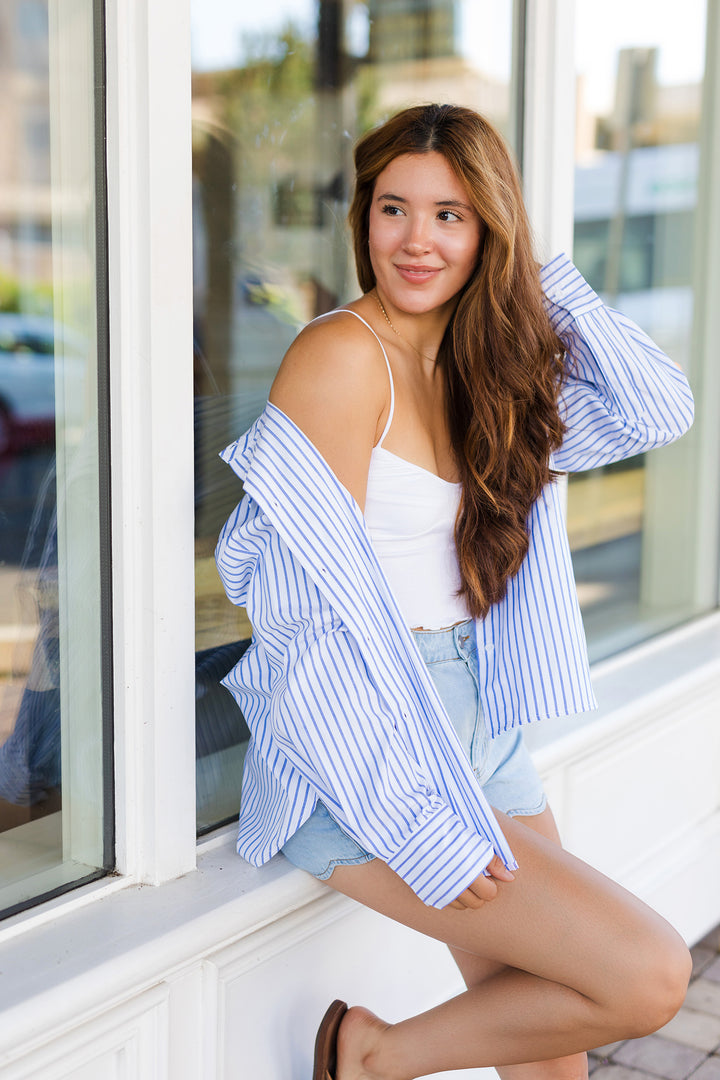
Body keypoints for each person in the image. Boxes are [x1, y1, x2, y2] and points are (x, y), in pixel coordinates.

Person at [215, 104, 694, 1079]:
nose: (416, 240)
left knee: (553, 1049)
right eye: (394, 208)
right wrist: (414, 818)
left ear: (490, 229)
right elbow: (300, 626)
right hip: (366, 746)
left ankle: (380, 1058)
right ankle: (376, 1057)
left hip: (479, 720)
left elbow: (658, 407)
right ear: (363, 219)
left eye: (451, 214)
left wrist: (536, 282)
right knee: (646, 975)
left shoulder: (485, 366)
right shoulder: (341, 359)